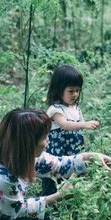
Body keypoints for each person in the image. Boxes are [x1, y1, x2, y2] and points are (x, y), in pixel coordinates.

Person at [42, 65, 99, 195]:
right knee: (54, 177)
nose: (75, 95)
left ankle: (68, 201)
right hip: (58, 151)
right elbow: (64, 125)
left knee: (73, 178)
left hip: (73, 150)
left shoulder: (75, 108)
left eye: (77, 91)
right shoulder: (55, 109)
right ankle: (48, 204)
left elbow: (79, 129)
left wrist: (84, 142)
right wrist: (85, 125)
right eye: (71, 91)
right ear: (59, 89)